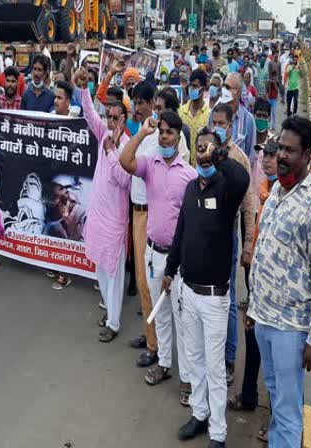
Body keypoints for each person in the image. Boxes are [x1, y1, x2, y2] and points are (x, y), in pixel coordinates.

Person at [248, 116, 311, 448]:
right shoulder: (277, 192)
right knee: (275, 396)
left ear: (306, 154)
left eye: (290, 150)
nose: (281, 155)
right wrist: (254, 308)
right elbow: (264, 251)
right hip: (265, 319)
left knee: (287, 410)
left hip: (291, 328)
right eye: (280, 148)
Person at [165, 127, 250, 447]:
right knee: (194, 358)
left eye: (208, 148)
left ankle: (218, 432)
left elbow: (243, 179)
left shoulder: (226, 189)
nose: (202, 152)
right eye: (198, 147)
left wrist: (219, 154)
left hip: (215, 299)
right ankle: (199, 415)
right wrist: (170, 270)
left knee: (215, 368)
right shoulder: (190, 189)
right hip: (188, 290)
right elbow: (180, 234)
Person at [119, 110, 196, 402]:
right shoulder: (149, 165)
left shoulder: (189, 175)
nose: (164, 136)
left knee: (181, 320)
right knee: (160, 315)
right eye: (161, 131)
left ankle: (187, 380)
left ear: (179, 138)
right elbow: (124, 161)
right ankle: (164, 364)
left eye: (169, 132)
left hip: (178, 262)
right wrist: (142, 132)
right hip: (153, 253)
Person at [228, 136, 278, 445]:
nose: (270, 160)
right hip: (258, 275)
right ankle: (248, 395)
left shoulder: (284, 194)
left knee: (276, 359)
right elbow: (252, 218)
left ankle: (276, 419)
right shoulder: (264, 190)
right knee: (253, 338)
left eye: (275, 155)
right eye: (267, 156)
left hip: (277, 291)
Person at [81, 75, 132, 341]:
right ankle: (109, 311)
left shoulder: (126, 146)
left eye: (115, 117)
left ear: (124, 119)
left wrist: (113, 152)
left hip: (115, 221)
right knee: (100, 269)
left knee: (113, 275)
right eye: (108, 117)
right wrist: (83, 87)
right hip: (99, 215)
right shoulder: (103, 134)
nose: (110, 122)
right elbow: (89, 114)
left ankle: (113, 323)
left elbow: (125, 180)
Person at [210, 103, 257, 385]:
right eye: (213, 122)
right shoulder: (205, 151)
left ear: (230, 125)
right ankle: (210, 354)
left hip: (228, 234)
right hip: (206, 233)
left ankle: (228, 359)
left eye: (221, 123)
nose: (217, 126)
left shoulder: (238, 158)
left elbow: (249, 204)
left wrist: (248, 244)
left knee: (226, 300)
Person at [212, 72, 257, 162]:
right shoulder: (214, 113)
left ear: (238, 92)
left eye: (228, 87)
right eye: (224, 86)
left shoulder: (248, 119)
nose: (224, 90)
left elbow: (250, 156)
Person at [179, 69, 211, 164]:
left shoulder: (209, 115)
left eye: (195, 86)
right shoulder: (180, 111)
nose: (191, 89)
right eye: (190, 85)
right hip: (183, 166)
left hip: (201, 167)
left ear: (203, 88)